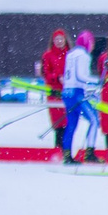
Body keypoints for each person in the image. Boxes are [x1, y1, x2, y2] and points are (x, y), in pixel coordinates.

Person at [59, 30, 96, 164]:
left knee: (71, 124)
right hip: (77, 93)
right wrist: (96, 81)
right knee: (94, 120)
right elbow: (81, 76)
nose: (92, 47)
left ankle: (67, 155)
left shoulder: (71, 54)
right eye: (91, 43)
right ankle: (90, 153)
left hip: (67, 92)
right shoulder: (83, 55)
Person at [37, 27, 71, 155]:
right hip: (54, 93)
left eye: (61, 39)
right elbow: (46, 73)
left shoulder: (70, 55)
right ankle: (59, 149)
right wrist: (57, 77)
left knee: (68, 122)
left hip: (68, 92)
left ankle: (66, 149)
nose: (59, 41)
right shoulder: (48, 55)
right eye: (57, 39)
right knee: (58, 122)